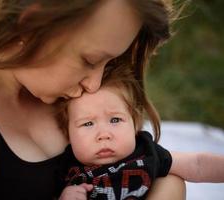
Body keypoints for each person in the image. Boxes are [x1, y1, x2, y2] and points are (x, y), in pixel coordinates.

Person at [0, 0, 185, 199]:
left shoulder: (59, 84)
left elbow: (157, 174)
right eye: (90, 61)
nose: (94, 85)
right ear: (33, 23)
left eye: (108, 63)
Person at [56, 70, 224, 200]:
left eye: (115, 120)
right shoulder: (66, 167)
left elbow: (197, 164)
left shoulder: (146, 153)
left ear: (135, 123)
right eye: (88, 124)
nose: (103, 134)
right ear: (67, 133)